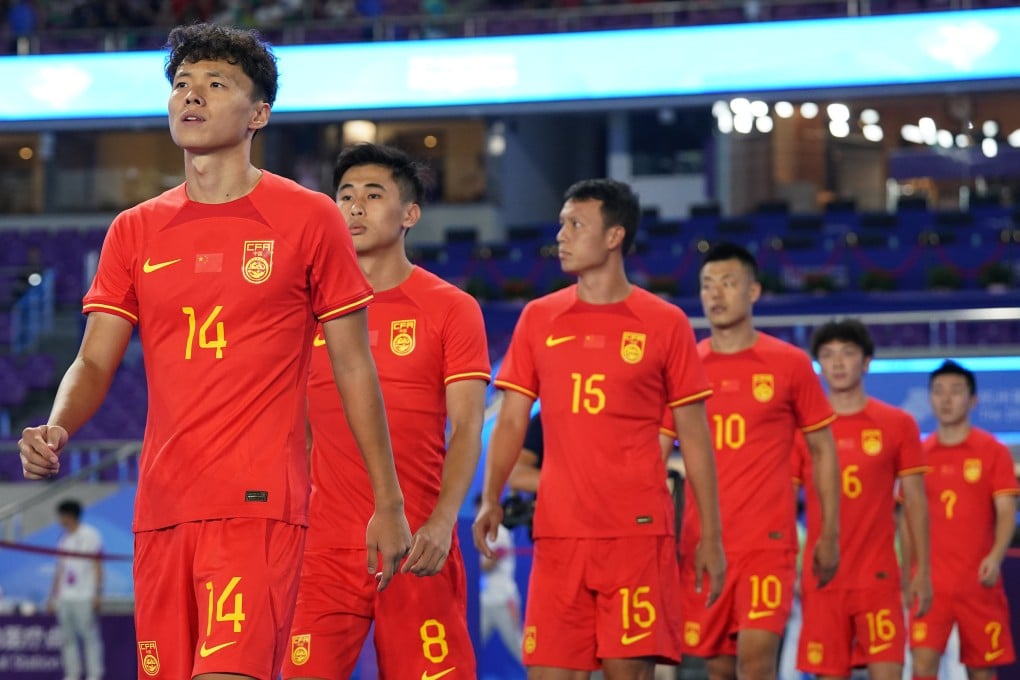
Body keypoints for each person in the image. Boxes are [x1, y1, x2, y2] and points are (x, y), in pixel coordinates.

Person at [18, 23, 411, 680]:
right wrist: (58, 426)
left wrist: (388, 502)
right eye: (181, 85)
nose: (191, 97)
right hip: (162, 509)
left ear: (259, 113)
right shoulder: (134, 231)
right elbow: (92, 362)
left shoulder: (309, 218)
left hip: (257, 505)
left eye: (214, 84)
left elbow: (351, 367)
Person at [474, 178, 725, 679]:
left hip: (635, 540)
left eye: (576, 224)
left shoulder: (665, 321)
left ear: (614, 236)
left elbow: (695, 439)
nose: (561, 236)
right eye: (562, 224)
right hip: (559, 537)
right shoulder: (539, 317)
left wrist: (711, 535)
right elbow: (511, 421)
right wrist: (491, 496)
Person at [283, 143, 490, 679]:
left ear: (410, 214)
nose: (355, 208)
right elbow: (295, 434)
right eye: (345, 196)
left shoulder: (451, 308)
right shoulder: (306, 312)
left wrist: (444, 522)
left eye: (373, 196)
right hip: (324, 550)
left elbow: (467, 427)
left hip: (417, 543)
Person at [662, 242, 840, 680]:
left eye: (728, 283)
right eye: (706, 285)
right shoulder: (685, 367)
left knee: (757, 662)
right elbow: (656, 452)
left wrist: (830, 532)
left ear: (754, 292)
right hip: (702, 544)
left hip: (767, 543)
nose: (715, 294)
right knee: (719, 666)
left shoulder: (790, 364)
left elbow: (823, 450)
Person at [792, 319, 931, 680]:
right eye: (828, 355)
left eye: (848, 353)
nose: (838, 363)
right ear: (819, 366)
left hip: (879, 577)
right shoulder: (802, 429)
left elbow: (915, 502)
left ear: (867, 362)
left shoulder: (898, 423)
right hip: (823, 579)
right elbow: (785, 503)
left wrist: (923, 572)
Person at [906, 360, 1018, 680]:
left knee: (982, 671)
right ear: (929, 398)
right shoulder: (918, 453)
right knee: (923, 668)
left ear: (973, 400)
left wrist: (995, 558)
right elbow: (905, 519)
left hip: (978, 582)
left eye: (956, 391)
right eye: (938, 391)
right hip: (929, 583)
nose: (946, 399)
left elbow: (1007, 510)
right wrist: (907, 575)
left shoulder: (992, 451)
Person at [48, 499, 104, 680]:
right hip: (66, 597)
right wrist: (53, 596)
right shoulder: (64, 539)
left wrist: (97, 593)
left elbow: (97, 564)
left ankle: (94, 675)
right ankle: (72, 675)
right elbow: (60, 570)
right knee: (67, 639)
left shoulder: (90, 535)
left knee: (89, 637)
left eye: (61, 516)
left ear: (69, 516)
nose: (59, 520)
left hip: (84, 596)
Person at [477, 494, 525, 665]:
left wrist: (467, 559)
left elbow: (488, 564)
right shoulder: (481, 533)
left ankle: (540, 675)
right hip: (485, 601)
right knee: (474, 644)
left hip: (504, 600)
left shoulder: (499, 533)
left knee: (518, 646)